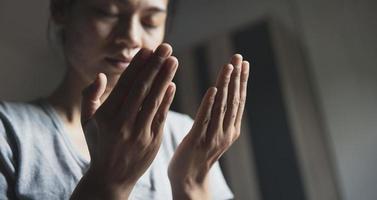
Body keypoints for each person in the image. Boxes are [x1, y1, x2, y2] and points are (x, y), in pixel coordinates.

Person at [0, 0, 250, 199]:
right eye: (106, 12)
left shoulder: (185, 136)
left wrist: (191, 184)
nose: (131, 36)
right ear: (61, 10)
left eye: (150, 21)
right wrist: (108, 181)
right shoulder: (8, 132)